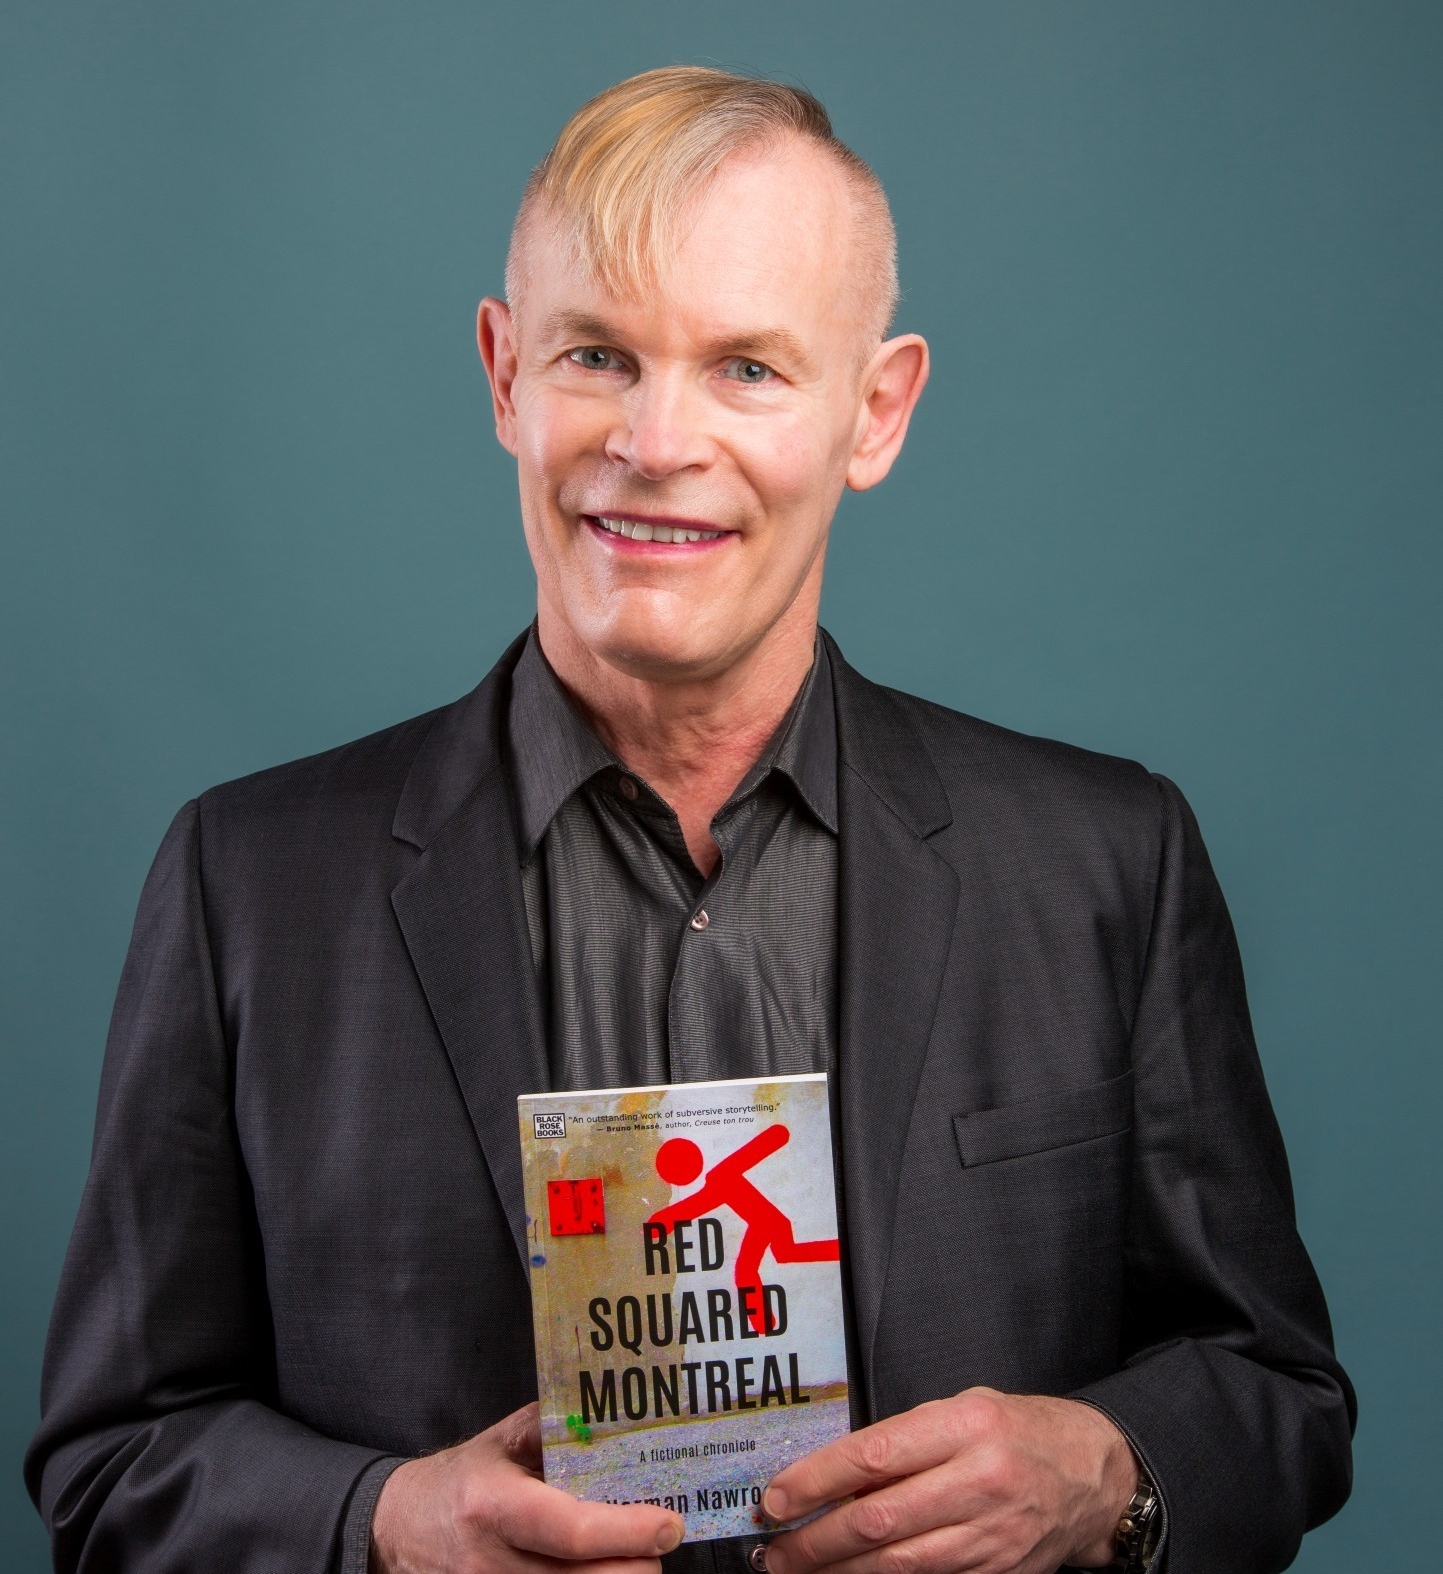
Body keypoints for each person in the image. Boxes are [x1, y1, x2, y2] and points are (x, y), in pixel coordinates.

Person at [26, 67, 1353, 1574]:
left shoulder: (1107, 863)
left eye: (748, 369)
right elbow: (109, 1456)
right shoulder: (245, 885)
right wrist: (380, 1527)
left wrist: (1108, 1472)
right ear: (505, 374)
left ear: (878, 410)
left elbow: (1279, 1396)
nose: (658, 443)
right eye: (600, 352)